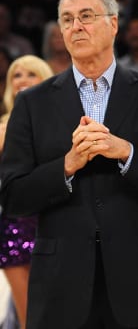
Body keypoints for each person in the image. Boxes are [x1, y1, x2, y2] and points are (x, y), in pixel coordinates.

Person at [0, 0, 138, 328]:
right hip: (62, 286)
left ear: (114, 24)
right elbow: (13, 196)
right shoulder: (32, 103)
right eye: (68, 19)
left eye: (86, 17)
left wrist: (127, 154)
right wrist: (67, 166)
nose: (76, 27)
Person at [0, 55, 53, 329]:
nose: (22, 80)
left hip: (54, 225)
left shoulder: (60, 123)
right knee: (28, 318)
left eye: (30, 74)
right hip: (13, 227)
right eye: (16, 75)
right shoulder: (3, 128)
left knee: (58, 313)